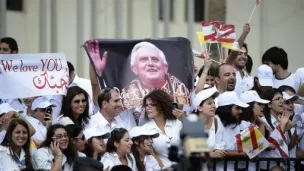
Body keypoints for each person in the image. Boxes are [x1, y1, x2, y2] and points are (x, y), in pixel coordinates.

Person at [87, 41, 191, 110]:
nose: (150, 63)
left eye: (155, 59)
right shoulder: (125, 95)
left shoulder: (182, 89)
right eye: (144, 59)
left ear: (165, 67)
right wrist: (97, 71)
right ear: (134, 69)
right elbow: (100, 106)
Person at [141, 89, 183, 169]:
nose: (148, 108)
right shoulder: (145, 129)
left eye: (152, 105)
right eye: (146, 105)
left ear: (162, 105)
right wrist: (163, 168)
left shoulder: (178, 124)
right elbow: (152, 154)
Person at [213, 91, 250, 171]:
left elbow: (240, 148)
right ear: (227, 108)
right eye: (237, 108)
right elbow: (219, 152)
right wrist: (243, 154)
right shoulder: (216, 121)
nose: (240, 111)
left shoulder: (235, 124)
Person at [192, 86, 229, 159]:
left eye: (214, 103)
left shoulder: (216, 121)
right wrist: (211, 154)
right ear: (199, 108)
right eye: (209, 103)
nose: (214, 106)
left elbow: (218, 146)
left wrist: (219, 151)